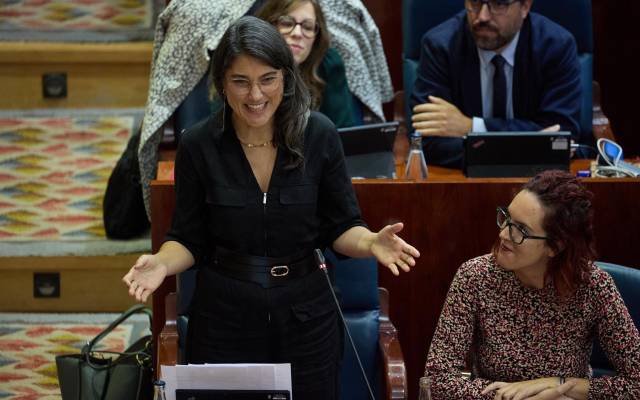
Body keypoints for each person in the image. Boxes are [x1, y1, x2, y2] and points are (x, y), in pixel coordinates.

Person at [123, 16, 419, 400]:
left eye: (267, 79)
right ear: (221, 84)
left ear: (286, 78)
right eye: (240, 81)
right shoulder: (198, 144)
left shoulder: (319, 134)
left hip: (307, 316)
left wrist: (369, 244)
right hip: (225, 318)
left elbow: (342, 225)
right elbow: (188, 238)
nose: (255, 95)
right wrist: (162, 262)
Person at [424, 170, 640, 399]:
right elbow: (437, 380)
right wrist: (517, 397)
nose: (504, 234)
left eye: (521, 230)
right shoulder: (475, 276)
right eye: (507, 218)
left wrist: (560, 385)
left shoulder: (593, 286)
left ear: (555, 246)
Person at [410, 0, 581, 168]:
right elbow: (426, 142)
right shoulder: (440, 46)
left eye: (499, 4)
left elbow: (562, 135)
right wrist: (529, 148)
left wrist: (471, 127)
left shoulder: (555, 46)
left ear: (525, 6)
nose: (483, 16)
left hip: (539, 180)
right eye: (475, 2)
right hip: (464, 183)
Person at [255, 0, 357, 128]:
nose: (297, 34)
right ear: (268, 26)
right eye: (287, 23)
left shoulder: (328, 64)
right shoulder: (246, 61)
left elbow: (344, 132)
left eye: (308, 27)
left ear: (316, 37)